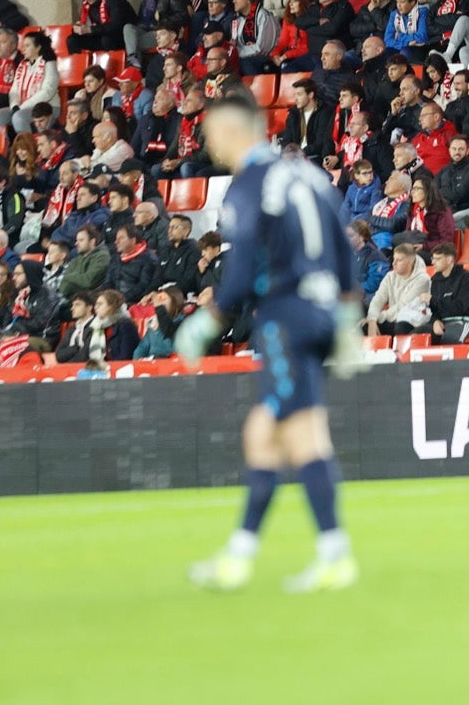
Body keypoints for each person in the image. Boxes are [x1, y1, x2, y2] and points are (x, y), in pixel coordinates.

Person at [176, 93, 362, 594]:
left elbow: (240, 269)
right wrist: (347, 314)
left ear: (235, 132)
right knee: (283, 434)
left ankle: (325, 556)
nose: (208, 142)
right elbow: (344, 247)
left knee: (281, 433)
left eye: (212, 132)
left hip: (284, 316)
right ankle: (250, 555)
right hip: (323, 311)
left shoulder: (248, 185)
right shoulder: (307, 174)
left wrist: (209, 318)